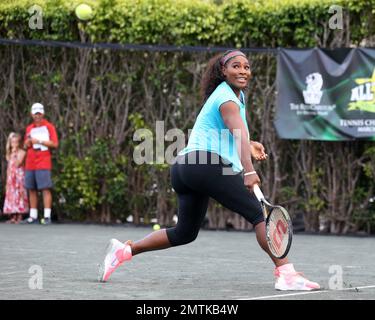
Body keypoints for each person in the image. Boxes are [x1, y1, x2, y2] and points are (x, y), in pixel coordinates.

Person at [99, 50, 320, 291]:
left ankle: (125, 250)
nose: (243, 71)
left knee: (185, 232)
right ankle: (286, 274)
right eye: (236, 66)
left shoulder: (233, 95)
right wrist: (248, 170)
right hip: (203, 164)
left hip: (184, 168)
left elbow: (232, 134)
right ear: (223, 71)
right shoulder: (226, 98)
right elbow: (238, 134)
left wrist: (250, 143)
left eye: (246, 67)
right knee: (260, 216)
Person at [21, 103, 58, 225]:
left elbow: (55, 144)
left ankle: (47, 217)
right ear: (32, 114)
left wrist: (40, 141)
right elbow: (26, 145)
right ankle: (33, 216)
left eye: (39, 113)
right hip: (30, 161)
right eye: (35, 113)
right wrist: (27, 144)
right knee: (31, 188)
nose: (37, 116)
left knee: (45, 188)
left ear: (42, 114)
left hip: (43, 160)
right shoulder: (29, 128)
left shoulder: (49, 127)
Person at [2, 132, 29, 224]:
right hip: (11, 177)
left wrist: (15, 153)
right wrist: (7, 181)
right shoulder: (8, 153)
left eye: (16, 142)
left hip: (19, 176)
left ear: (19, 143)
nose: (14, 144)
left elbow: (18, 163)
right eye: (12, 142)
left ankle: (20, 216)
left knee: (19, 194)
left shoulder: (22, 152)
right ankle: (13, 216)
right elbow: (9, 167)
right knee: (12, 195)